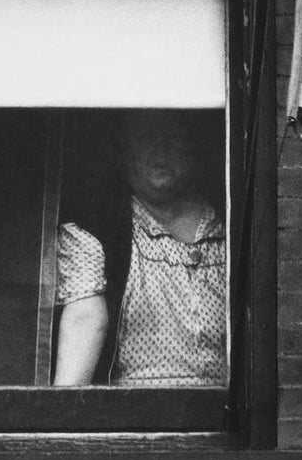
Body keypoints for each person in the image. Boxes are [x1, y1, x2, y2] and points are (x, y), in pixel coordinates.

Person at [52, 112, 227, 386]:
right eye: (146, 136)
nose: (161, 148)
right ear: (125, 147)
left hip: (226, 408)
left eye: (174, 137)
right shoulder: (99, 230)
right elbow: (84, 318)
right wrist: (63, 408)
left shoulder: (230, 226)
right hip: (136, 407)